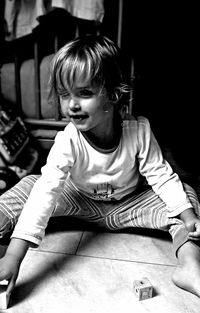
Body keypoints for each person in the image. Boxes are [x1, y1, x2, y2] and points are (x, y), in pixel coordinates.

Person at [0, 35, 200, 300]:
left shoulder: (139, 130)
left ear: (114, 95)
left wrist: (188, 218)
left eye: (84, 93)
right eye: (64, 94)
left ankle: (190, 265)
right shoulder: (68, 140)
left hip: (129, 205)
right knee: (32, 187)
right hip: (79, 201)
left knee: (184, 195)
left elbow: (161, 176)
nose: (71, 104)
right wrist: (14, 255)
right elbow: (47, 191)